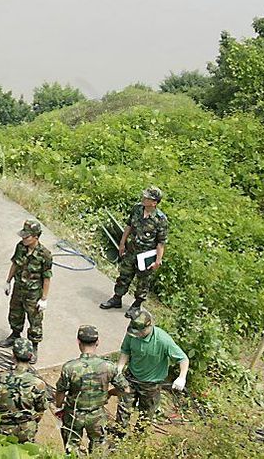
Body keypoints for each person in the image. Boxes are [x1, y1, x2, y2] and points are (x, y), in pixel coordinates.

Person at [55, 325, 128, 454]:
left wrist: (59, 406)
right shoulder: (108, 366)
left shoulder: (70, 367)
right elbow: (125, 389)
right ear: (97, 342)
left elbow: (61, 391)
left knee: (71, 448)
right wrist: (110, 393)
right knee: (98, 448)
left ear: (78, 341)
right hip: (97, 415)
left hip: (73, 414)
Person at [101, 187, 169, 318]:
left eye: (147, 198)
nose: (143, 199)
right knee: (124, 275)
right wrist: (122, 243)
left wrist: (158, 260)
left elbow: (161, 242)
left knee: (143, 281)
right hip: (132, 250)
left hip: (146, 255)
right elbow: (129, 226)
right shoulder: (137, 209)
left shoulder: (161, 220)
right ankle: (117, 298)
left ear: (154, 202)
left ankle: (137, 305)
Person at [115, 310, 188, 427]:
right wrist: (119, 368)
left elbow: (183, 359)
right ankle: (118, 436)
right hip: (131, 378)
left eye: (139, 332)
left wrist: (182, 377)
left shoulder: (163, 340)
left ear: (148, 327)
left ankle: (139, 439)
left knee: (146, 415)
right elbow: (125, 350)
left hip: (151, 385)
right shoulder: (132, 334)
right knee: (123, 409)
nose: (136, 335)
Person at [0, 219, 54, 358]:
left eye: (27, 236)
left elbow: (47, 277)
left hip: (34, 293)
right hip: (19, 288)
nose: (23, 238)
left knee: (35, 320)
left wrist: (44, 299)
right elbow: (15, 264)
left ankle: (33, 346)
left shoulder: (45, 255)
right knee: (15, 313)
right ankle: (15, 335)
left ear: (36, 237)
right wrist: (8, 281)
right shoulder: (20, 247)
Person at [0, 339, 48, 443]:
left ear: (13, 355)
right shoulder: (39, 384)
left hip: (2, 428)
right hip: (26, 429)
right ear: (31, 357)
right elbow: (40, 410)